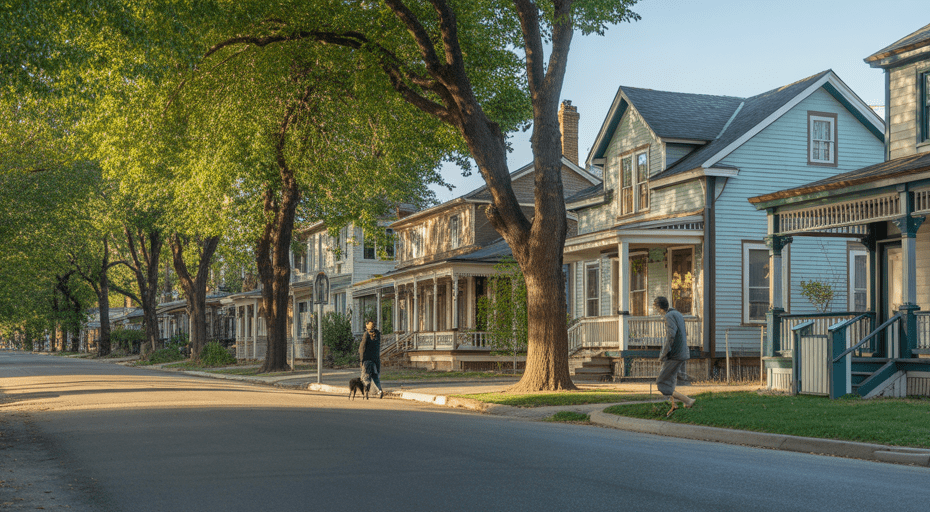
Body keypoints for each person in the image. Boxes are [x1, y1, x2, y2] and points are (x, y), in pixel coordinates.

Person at [653, 296, 695, 417]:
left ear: (659, 307)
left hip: (675, 354)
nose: (656, 310)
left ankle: (687, 400)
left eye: (656, 307)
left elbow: (671, 336)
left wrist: (663, 354)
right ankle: (673, 404)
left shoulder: (668, 316)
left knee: (661, 382)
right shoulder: (677, 314)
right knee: (670, 380)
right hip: (682, 352)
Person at [358, 319, 384, 398]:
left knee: (366, 377)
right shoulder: (377, 334)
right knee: (375, 377)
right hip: (376, 360)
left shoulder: (366, 334)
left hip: (367, 360)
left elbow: (362, 348)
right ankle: (380, 391)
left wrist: (361, 360)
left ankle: (366, 390)